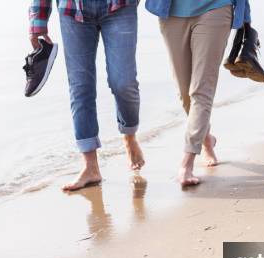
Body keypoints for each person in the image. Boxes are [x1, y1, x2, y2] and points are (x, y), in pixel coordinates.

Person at [28, 0, 145, 191]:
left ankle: (129, 136)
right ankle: (90, 167)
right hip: (73, 10)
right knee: (81, 88)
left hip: (119, 7)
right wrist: (38, 21)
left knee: (123, 82)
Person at [145, 0, 252, 186]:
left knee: (201, 90)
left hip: (216, 8)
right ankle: (206, 138)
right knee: (184, 93)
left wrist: (245, 17)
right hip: (172, 12)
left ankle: (187, 161)